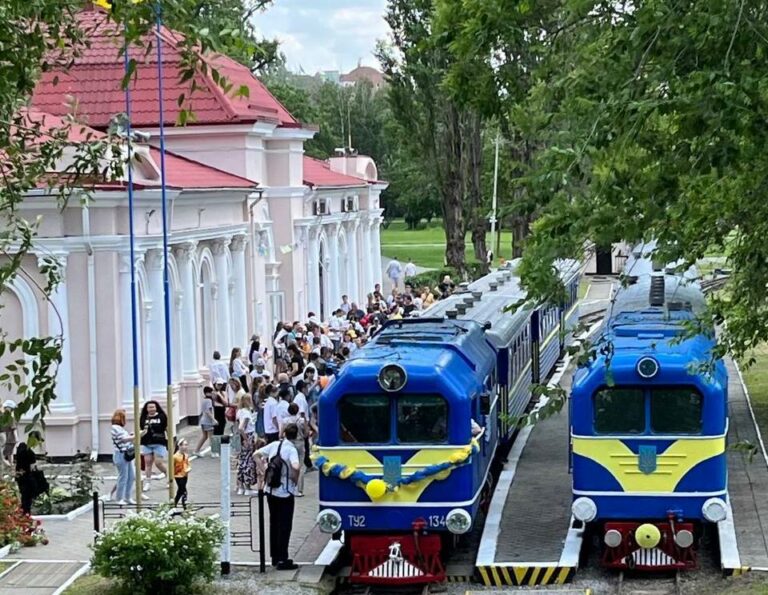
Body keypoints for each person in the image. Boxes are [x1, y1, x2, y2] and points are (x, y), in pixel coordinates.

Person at [253, 424, 301, 570]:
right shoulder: (291, 450)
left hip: (271, 490)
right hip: (285, 492)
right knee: (285, 525)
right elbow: (296, 466)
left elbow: (256, 454)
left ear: (284, 433)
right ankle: (283, 558)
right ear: (295, 435)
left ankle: (274, 557)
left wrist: (264, 470)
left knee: (274, 522)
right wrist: (295, 479)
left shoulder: (274, 445)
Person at [139, 400, 168, 492]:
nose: (151, 409)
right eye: (149, 407)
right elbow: (141, 428)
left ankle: (169, 476)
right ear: (146, 409)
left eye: (153, 407)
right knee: (148, 463)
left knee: (158, 462)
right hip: (147, 443)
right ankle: (148, 482)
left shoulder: (161, 416)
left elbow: (166, 428)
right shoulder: (143, 418)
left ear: (156, 407)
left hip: (159, 442)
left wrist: (171, 440)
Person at [110, 409, 136, 505]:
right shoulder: (115, 428)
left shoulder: (120, 428)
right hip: (121, 455)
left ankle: (127, 497)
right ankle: (119, 498)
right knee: (123, 477)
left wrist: (131, 436)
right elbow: (123, 440)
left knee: (131, 476)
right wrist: (135, 436)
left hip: (126, 454)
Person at [236, 395, 257, 495]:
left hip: (243, 438)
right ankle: (248, 486)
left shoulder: (240, 411)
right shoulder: (247, 413)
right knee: (248, 461)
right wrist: (246, 439)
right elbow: (241, 428)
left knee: (242, 461)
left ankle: (241, 486)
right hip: (248, 436)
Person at [15, 442, 38, 514]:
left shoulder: (18, 455)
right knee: (28, 495)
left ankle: (24, 509)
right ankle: (27, 509)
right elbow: (33, 465)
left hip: (20, 477)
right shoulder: (30, 453)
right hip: (28, 477)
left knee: (23, 494)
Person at [195, 387, 216, 455]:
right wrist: (213, 419)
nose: (213, 394)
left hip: (203, 420)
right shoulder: (209, 401)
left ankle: (196, 450)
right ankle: (213, 452)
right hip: (208, 421)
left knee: (204, 436)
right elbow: (208, 411)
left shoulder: (204, 400)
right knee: (211, 437)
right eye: (211, 392)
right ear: (207, 393)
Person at [211, 381, 229, 457]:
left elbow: (226, 403)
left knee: (221, 431)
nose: (219, 386)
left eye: (221, 384)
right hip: (216, 413)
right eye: (218, 384)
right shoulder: (213, 392)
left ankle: (220, 449)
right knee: (216, 432)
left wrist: (220, 395)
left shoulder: (223, 393)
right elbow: (213, 403)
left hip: (222, 412)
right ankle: (214, 450)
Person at [173, 438, 191, 509]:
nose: (185, 447)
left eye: (186, 445)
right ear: (179, 446)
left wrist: (189, 468)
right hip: (178, 475)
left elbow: (187, 463)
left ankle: (175, 503)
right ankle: (184, 505)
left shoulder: (186, 455)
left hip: (185, 474)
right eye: (184, 445)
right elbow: (172, 466)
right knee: (183, 490)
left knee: (181, 490)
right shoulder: (175, 456)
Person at [2, 400, 17, 466]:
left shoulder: (10, 418)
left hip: (10, 438)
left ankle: (10, 465)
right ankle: (10, 465)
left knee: (8, 453)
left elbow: (14, 429)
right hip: (8, 438)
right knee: (9, 453)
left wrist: (16, 438)